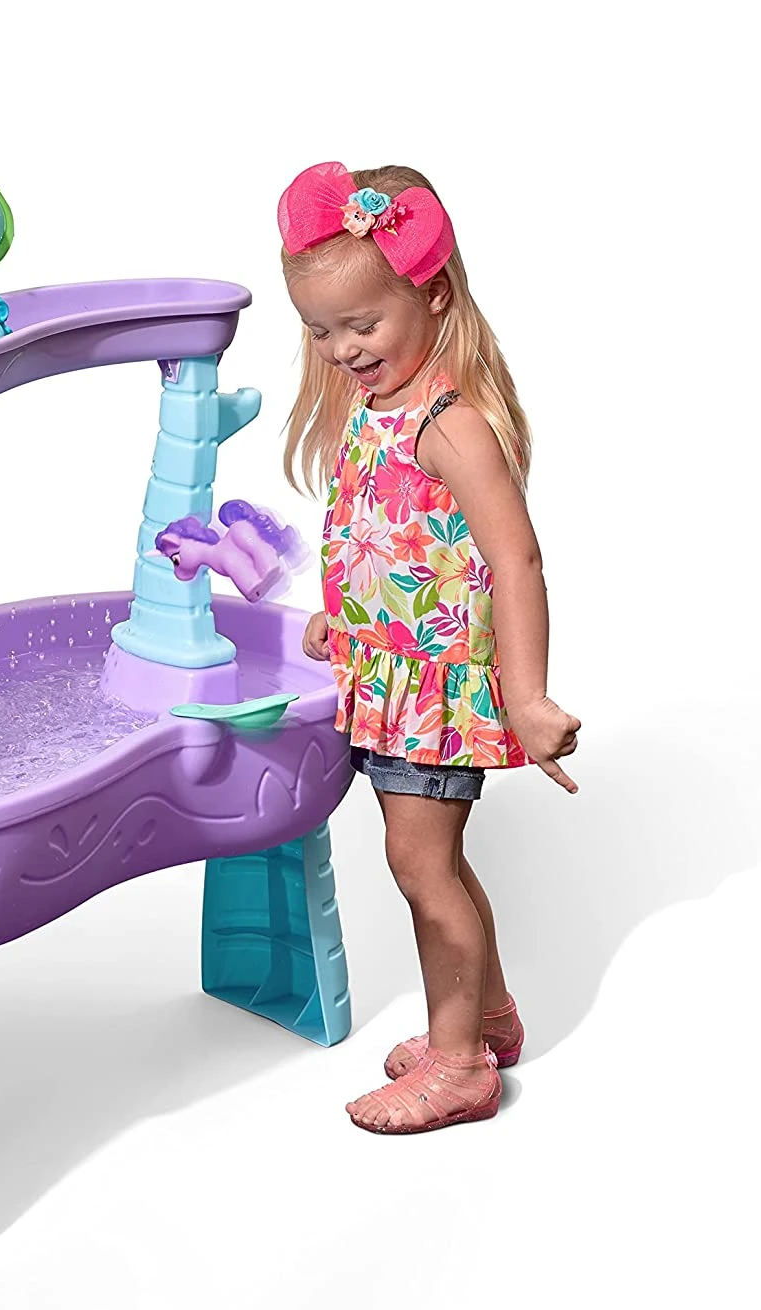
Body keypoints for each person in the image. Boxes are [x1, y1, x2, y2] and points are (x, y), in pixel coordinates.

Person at [277, 160, 580, 1133]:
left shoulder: (451, 424)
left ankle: (458, 1065)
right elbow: (398, 543)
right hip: (389, 677)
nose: (342, 350)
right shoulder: (378, 410)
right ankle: (485, 1017)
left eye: (362, 326)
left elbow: (515, 559)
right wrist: (347, 615)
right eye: (321, 331)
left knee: (421, 870)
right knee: (433, 862)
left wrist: (527, 695)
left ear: (433, 293)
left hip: (435, 693)